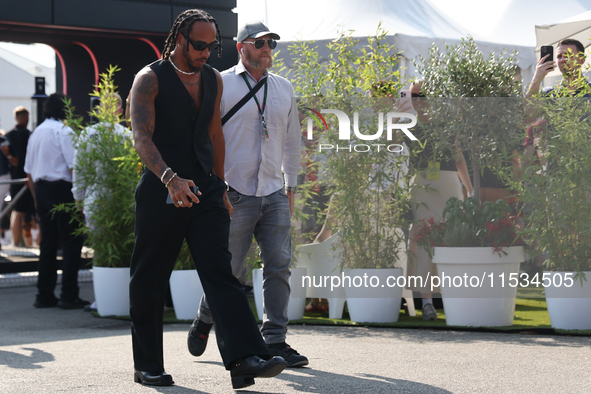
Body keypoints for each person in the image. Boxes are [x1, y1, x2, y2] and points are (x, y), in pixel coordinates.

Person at [128, 9, 286, 389]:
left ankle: (245, 359)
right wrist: (170, 178)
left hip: (205, 190)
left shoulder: (213, 79)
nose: (205, 53)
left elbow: (215, 135)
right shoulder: (150, 79)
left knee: (222, 272)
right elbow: (141, 138)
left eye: (211, 46)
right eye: (199, 46)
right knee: (149, 278)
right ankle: (147, 365)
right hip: (162, 189)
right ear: (180, 40)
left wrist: (220, 187)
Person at [189, 20, 306, 368]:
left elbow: (292, 141)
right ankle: (205, 317)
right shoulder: (220, 84)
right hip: (233, 192)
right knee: (231, 272)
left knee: (279, 266)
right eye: (260, 42)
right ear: (242, 47)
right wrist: (213, 185)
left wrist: (291, 186)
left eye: (271, 42)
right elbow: (203, 138)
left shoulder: (284, 88)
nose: (267, 48)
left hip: (273, 191)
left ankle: (275, 340)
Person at [402, 80, 474, 320]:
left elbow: (459, 158)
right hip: (421, 186)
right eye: (414, 96)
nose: (419, 100)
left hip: (450, 185)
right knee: (422, 241)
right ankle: (426, 301)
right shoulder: (407, 124)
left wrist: (469, 189)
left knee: (450, 239)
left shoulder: (447, 125)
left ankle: (453, 296)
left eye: (423, 95)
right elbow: (391, 149)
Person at [23, 93, 89, 309]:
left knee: (47, 244)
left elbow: (29, 174)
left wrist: (36, 199)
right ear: (65, 110)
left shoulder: (36, 133)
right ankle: (68, 294)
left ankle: (44, 294)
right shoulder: (64, 131)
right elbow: (74, 166)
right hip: (63, 190)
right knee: (71, 243)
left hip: (41, 190)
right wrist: (79, 200)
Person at [2, 106, 36, 246]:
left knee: (18, 211)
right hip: (29, 177)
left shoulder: (7, 136)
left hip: (16, 178)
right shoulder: (30, 135)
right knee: (25, 211)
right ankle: (20, 243)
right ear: (26, 118)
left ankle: (17, 244)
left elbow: (12, 160)